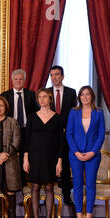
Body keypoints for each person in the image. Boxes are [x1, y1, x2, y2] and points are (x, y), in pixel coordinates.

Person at [23, 89, 63, 218]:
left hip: (51, 158)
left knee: (49, 187)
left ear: (50, 99)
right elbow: (26, 140)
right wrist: (25, 159)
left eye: (45, 97)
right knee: (35, 186)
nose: (42, 99)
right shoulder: (32, 117)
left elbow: (61, 141)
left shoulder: (57, 118)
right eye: (39, 97)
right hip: (34, 157)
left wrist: (60, 161)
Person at [66, 86, 105, 218]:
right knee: (77, 185)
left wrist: (93, 152)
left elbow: (101, 135)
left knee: (90, 185)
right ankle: (79, 215)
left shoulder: (99, 112)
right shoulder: (73, 112)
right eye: (82, 94)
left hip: (92, 155)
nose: (85, 97)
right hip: (76, 155)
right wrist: (76, 152)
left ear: (92, 96)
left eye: (88, 94)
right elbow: (69, 134)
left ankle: (89, 215)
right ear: (79, 97)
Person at [0, 69, 38, 185]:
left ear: (24, 80)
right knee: (10, 157)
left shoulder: (31, 94)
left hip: (27, 131)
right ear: (12, 80)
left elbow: (35, 113)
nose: (18, 81)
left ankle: (24, 185)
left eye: (21, 79)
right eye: (16, 79)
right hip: (10, 132)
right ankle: (9, 184)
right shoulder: (5, 95)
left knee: (25, 157)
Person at [47, 66, 77, 208]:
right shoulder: (45, 93)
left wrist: (68, 129)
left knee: (65, 166)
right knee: (49, 166)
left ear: (63, 76)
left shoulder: (71, 93)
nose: (54, 78)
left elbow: (73, 114)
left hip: (66, 136)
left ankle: (66, 196)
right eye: (52, 75)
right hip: (49, 136)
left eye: (57, 74)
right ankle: (49, 196)